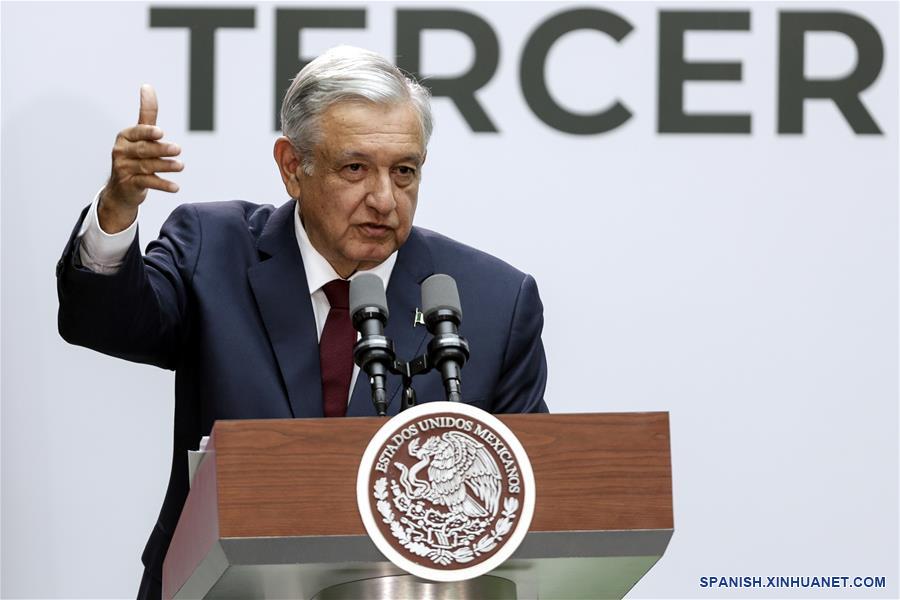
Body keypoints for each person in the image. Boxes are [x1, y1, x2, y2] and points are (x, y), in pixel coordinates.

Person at [56, 46, 548, 599]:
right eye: (355, 168)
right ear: (293, 167)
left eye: (404, 172)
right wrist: (118, 209)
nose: (385, 199)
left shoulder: (493, 301)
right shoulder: (213, 249)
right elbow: (103, 323)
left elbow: (532, 502)